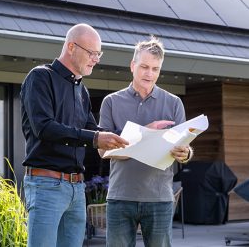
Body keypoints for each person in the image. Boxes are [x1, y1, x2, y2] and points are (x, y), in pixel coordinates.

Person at [20, 23, 128, 247]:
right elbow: (44, 127)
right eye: (92, 53)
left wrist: (139, 134)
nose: (96, 59)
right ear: (71, 47)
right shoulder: (40, 77)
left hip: (77, 188)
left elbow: (94, 131)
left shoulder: (82, 90)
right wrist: (95, 139)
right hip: (46, 184)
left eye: (99, 54)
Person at [99, 36, 193, 247]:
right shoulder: (111, 102)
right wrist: (145, 133)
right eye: (144, 67)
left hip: (159, 199)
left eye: (155, 69)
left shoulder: (174, 103)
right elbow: (103, 152)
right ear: (133, 66)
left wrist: (186, 154)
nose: (149, 74)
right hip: (120, 197)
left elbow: (184, 146)